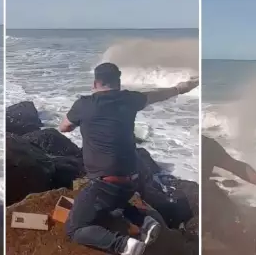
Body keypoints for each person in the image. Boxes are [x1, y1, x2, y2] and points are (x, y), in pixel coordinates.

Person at [59, 62, 199, 255]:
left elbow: (64, 127)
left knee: (74, 229)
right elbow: (159, 95)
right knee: (110, 205)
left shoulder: (84, 104)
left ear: (95, 83)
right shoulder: (130, 99)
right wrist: (182, 88)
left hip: (105, 185)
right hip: (132, 180)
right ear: (118, 82)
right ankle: (145, 222)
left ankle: (125, 246)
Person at [201, 135, 256, 252]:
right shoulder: (189, 144)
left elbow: (236, 166)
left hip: (209, 198)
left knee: (237, 223)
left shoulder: (205, 145)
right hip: (196, 198)